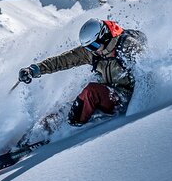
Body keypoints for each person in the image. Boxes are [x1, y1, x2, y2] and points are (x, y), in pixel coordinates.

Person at [18, 18, 147, 126]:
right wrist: (35, 69)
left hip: (124, 98)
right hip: (106, 93)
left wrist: (140, 105)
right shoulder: (94, 52)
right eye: (88, 48)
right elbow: (63, 60)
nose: (93, 50)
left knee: (91, 91)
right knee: (65, 109)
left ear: (104, 36)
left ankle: (71, 128)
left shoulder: (127, 46)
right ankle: (34, 138)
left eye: (94, 46)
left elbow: (148, 69)